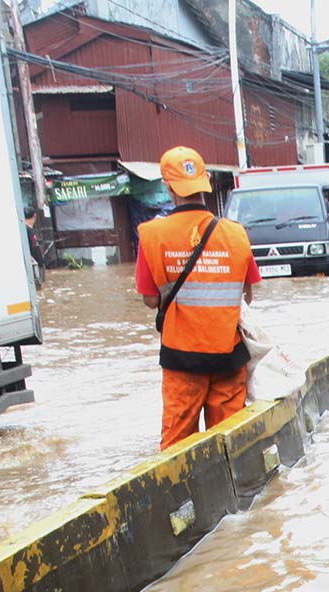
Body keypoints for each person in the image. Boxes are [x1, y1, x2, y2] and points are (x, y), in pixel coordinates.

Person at [134, 146, 261, 450]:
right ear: (205, 183)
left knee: (178, 448)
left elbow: (151, 301)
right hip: (229, 356)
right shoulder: (236, 233)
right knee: (231, 443)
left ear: (168, 187)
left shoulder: (152, 235)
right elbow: (248, 294)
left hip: (181, 359)